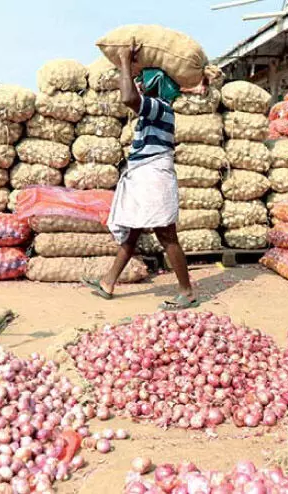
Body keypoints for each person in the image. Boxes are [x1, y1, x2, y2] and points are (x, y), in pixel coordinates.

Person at [83, 41, 198, 310]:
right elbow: (132, 96)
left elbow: (128, 98)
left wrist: (124, 61)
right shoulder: (153, 110)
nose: (140, 85)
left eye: (144, 83)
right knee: (132, 232)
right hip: (142, 175)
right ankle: (108, 282)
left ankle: (187, 292)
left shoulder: (160, 107)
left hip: (154, 177)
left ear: (156, 86)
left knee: (166, 234)